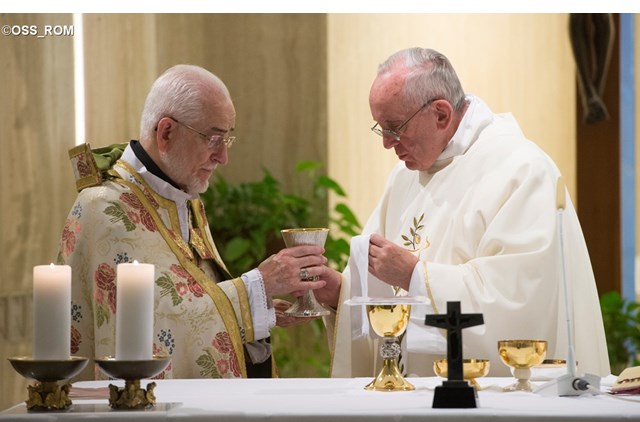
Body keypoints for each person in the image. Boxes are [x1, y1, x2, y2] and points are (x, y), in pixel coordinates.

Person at [315, 47, 611, 378]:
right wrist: (340, 294)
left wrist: (414, 275)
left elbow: (519, 304)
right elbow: (378, 285)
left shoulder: (522, 170)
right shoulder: (404, 178)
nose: (387, 143)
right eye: (380, 128)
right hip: (407, 400)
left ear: (441, 114)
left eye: (395, 127)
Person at [58, 64, 327, 380]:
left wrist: (258, 308)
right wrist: (256, 286)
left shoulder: (183, 200)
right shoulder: (104, 209)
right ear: (166, 132)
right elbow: (147, 336)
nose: (222, 157)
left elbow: (188, 303)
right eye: (213, 139)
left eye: (227, 140)